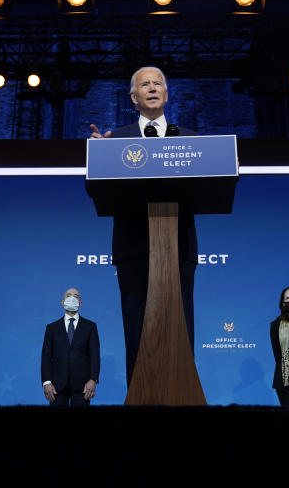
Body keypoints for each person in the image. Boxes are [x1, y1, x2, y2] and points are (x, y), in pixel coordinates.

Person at [89, 66, 197, 384]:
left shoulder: (190, 140)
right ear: (134, 98)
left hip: (179, 249)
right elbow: (95, 190)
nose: (152, 88)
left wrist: (225, 166)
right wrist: (98, 158)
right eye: (144, 85)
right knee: (137, 335)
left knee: (180, 332)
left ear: (166, 94)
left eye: (157, 83)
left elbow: (210, 187)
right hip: (133, 249)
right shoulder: (115, 140)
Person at [41, 287, 100, 407]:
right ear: (62, 302)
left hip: (83, 386)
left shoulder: (90, 326)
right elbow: (46, 356)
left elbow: (95, 355)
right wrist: (46, 382)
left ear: (80, 303)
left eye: (76, 296)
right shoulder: (52, 328)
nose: (72, 298)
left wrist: (93, 380)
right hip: (56, 386)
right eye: (68, 296)